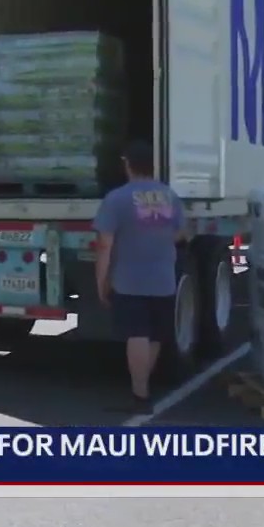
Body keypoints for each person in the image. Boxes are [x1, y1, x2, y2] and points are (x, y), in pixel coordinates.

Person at [94, 140, 185, 414]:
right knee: (155, 335)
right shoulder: (170, 196)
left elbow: (104, 245)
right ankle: (142, 388)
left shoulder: (117, 199)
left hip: (129, 279)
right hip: (164, 278)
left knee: (137, 333)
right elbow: (182, 233)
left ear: (127, 165)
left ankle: (140, 395)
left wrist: (101, 282)